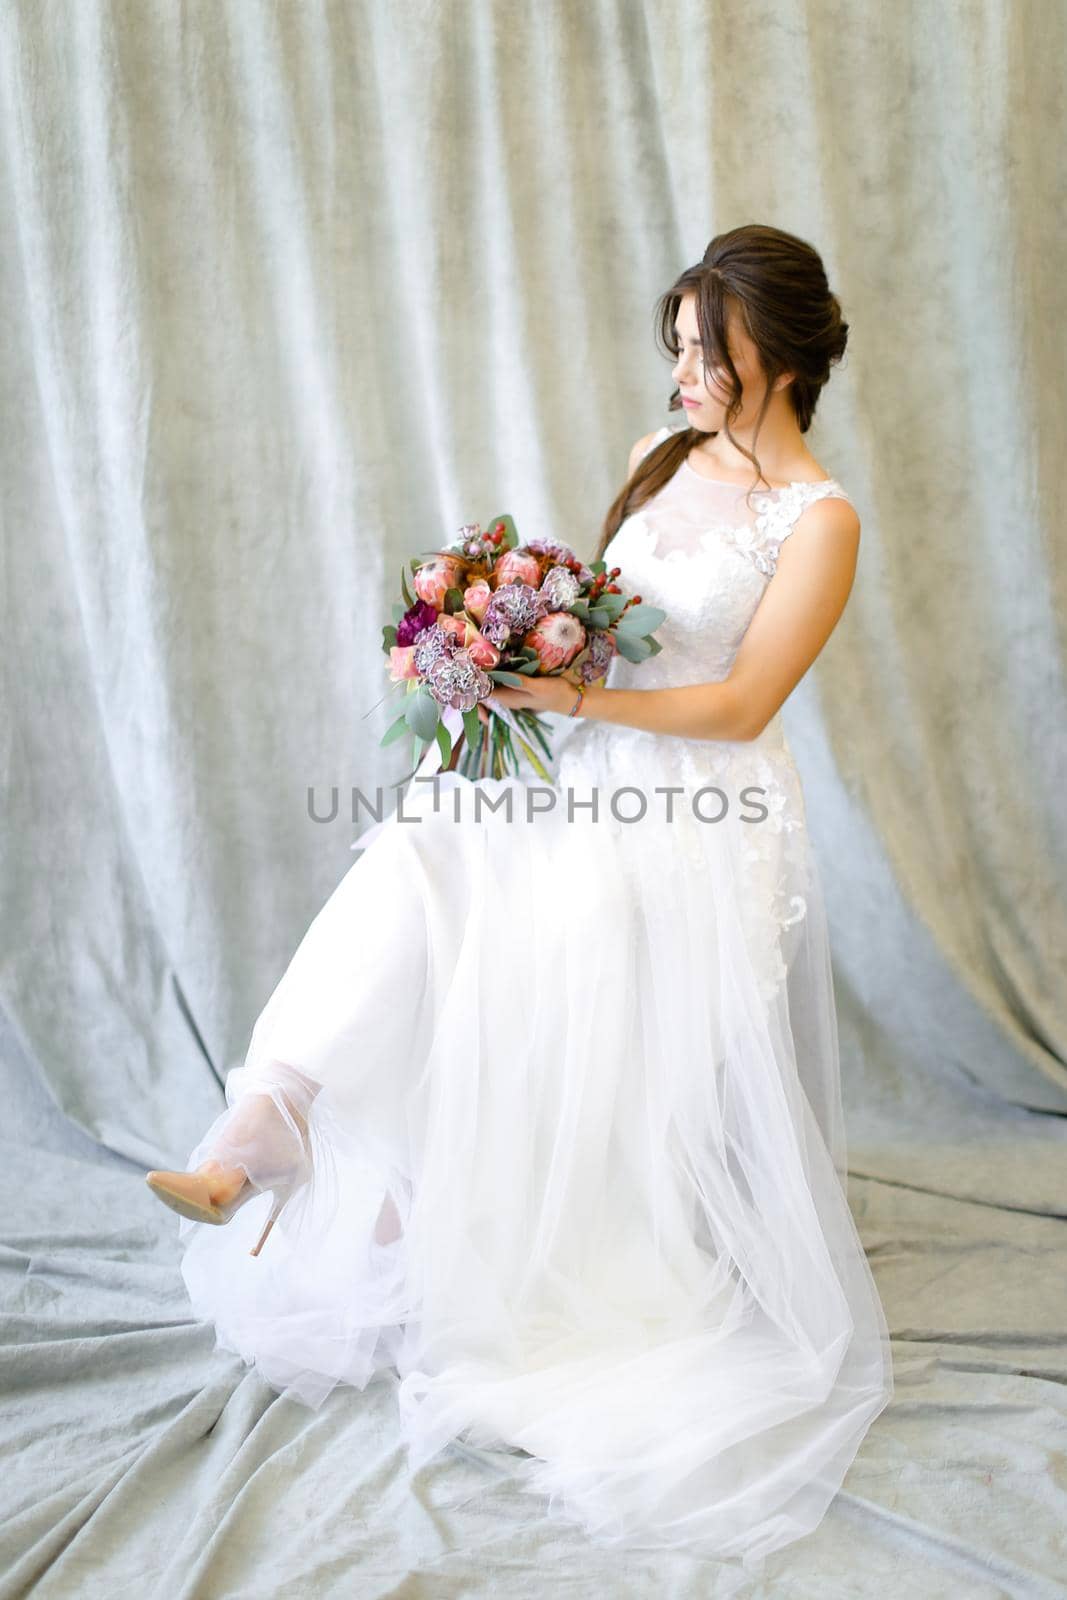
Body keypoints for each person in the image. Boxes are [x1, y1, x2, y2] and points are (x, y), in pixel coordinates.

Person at [145, 222, 893, 1568]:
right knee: (427, 847)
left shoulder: (821, 520)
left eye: (704, 357)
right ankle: (276, 1112)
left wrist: (573, 691)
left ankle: (439, 1204)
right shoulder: (657, 462)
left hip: (699, 809)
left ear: (772, 358)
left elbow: (737, 703)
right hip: (590, 751)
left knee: (530, 936)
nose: (680, 380)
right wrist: (501, 641)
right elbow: (609, 611)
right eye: (673, 351)